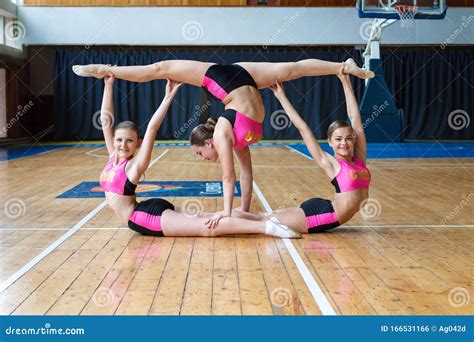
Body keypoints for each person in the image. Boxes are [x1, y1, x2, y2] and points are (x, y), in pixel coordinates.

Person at [74, 58, 373, 228]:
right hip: (246, 81)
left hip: (225, 82)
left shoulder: (223, 133)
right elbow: (246, 175)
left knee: (161, 69)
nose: (207, 158)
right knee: (292, 69)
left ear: (208, 143)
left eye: (201, 154)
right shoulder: (235, 138)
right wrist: (240, 211)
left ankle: (107, 71)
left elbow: (229, 177)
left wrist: (229, 213)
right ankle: (340, 67)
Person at [98, 73, 300, 238]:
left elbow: (151, 128)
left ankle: (268, 227)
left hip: (142, 217)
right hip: (150, 207)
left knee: (208, 226)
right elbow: (106, 121)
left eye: (129, 141)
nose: (122, 145)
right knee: (208, 217)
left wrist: (168, 97)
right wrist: (109, 84)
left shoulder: (134, 165)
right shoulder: (112, 157)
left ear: (137, 144)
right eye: (119, 140)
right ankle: (267, 218)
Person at [225, 63, 371, 233]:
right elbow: (303, 128)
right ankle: (217, 217)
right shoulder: (330, 163)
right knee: (262, 218)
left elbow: (355, 117)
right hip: (323, 216)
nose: (344, 143)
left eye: (348, 138)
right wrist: (282, 97)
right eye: (338, 139)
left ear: (353, 139)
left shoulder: (360, 159)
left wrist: (344, 78)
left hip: (325, 207)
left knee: (264, 217)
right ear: (330, 142)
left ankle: (219, 216)